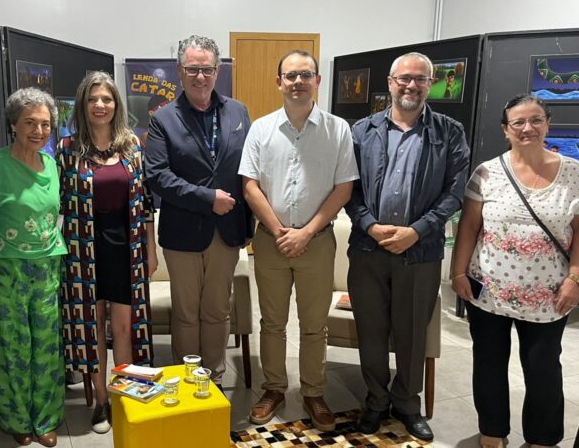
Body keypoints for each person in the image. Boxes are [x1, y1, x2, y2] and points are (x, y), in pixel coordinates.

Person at [345, 51, 470, 441]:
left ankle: (407, 404)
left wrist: (416, 230)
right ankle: (376, 401)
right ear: (391, 82)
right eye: (404, 78)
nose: (411, 85)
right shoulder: (361, 131)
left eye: (420, 79)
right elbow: (348, 188)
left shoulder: (449, 132)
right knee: (371, 330)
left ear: (430, 84)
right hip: (368, 249)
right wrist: (369, 224)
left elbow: (455, 192)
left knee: (413, 333)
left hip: (420, 252)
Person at [451, 94, 579, 448]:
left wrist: (575, 278)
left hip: (549, 295)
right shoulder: (487, 171)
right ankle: (492, 434)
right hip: (489, 289)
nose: (527, 128)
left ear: (548, 123)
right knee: (489, 365)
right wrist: (458, 273)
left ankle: (542, 438)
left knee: (543, 371)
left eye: (535, 120)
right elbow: (468, 227)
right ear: (506, 130)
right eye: (518, 123)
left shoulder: (574, 172)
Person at [239, 50, 358, 429]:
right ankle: (273, 387)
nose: (297, 82)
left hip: (317, 241)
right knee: (271, 322)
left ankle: (313, 391)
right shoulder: (261, 129)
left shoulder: (338, 129)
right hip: (271, 242)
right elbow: (250, 186)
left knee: (313, 325)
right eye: (290, 76)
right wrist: (279, 232)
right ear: (279, 83)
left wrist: (305, 232)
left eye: (305, 75)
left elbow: (344, 188)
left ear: (317, 81)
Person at [144, 35, 253, 384]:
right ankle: (190, 381)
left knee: (218, 311)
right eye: (193, 69)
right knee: (187, 314)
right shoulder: (163, 119)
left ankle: (215, 378)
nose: (200, 76)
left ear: (217, 71)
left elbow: (249, 168)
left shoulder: (238, 112)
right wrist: (209, 199)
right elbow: (157, 176)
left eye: (207, 69)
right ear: (179, 71)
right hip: (183, 233)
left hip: (228, 230)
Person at [58, 71, 156, 433]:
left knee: (124, 328)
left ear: (117, 104)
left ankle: (123, 396)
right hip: (83, 249)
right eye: (93, 99)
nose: (100, 105)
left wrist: (151, 247)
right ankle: (101, 400)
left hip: (126, 248)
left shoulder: (132, 145)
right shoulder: (67, 150)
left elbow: (145, 202)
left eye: (107, 99)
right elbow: (59, 205)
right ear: (83, 105)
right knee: (92, 325)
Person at [0, 88, 66, 447]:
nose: (39, 130)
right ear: (13, 125)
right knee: (13, 348)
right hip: (8, 270)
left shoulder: (51, 163)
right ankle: (18, 419)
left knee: (48, 347)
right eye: (30, 123)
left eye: (46, 124)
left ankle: (47, 418)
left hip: (48, 268)